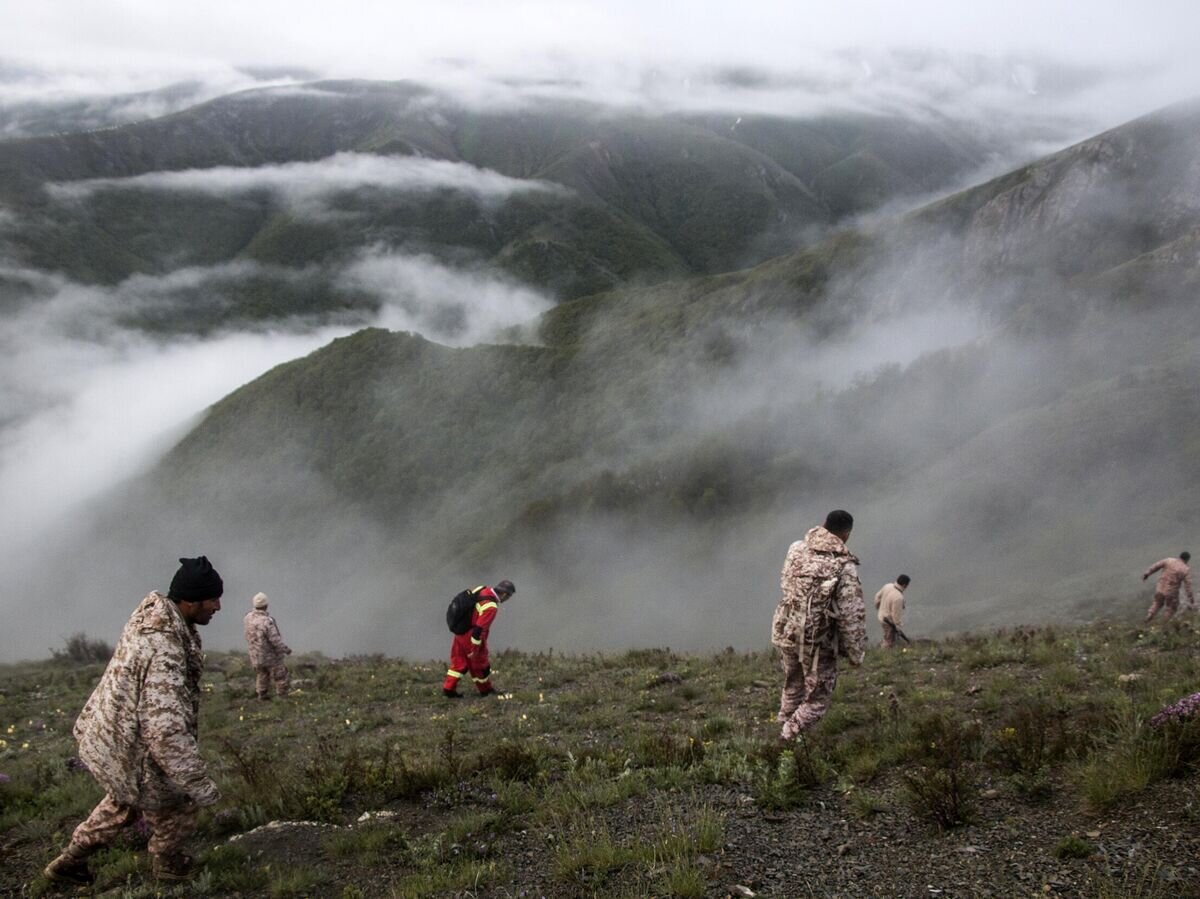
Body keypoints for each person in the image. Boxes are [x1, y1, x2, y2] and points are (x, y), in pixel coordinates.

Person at [44, 557, 224, 886]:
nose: (218, 606)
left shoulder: (153, 619)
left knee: (124, 801)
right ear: (189, 601)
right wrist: (199, 785)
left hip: (115, 737)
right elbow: (164, 731)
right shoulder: (164, 649)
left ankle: (70, 861)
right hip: (134, 745)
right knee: (177, 799)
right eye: (212, 599)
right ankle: (169, 866)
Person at [771, 511, 866, 741]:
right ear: (846, 534)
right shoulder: (844, 565)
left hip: (786, 630)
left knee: (793, 684)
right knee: (817, 698)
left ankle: (784, 723)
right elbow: (850, 614)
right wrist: (855, 653)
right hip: (817, 640)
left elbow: (785, 582)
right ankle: (787, 740)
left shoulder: (796, 549)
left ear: (823, 524)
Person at [442, 580, 515, 698]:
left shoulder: (482, 589)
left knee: (458, 661)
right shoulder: (491, 606)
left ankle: (448, 688)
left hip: (460, 630)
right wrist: (475, 648)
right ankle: (485, 690)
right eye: (509, 597)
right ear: (505, 595)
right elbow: (479, 629)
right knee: (480, 664)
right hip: (470, 635)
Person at [243, 592, 292, 700]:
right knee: (280, 675)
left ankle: (262, 695)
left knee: (262, 674)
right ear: (266, 605)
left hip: (255, 654)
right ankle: (282, 696)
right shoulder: (266, 621)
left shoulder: (248, 618)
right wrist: (285, 649)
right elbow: (274, 639)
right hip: (269, 654)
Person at [1143, 551, 1194, 622]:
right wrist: (1191, 598)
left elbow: (1156, 566)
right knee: (1171, 608)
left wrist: (1147, 573)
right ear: (1187, 559)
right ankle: (1164, 623)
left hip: (1160, 588)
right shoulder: (1185, 569)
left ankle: (1150, 615)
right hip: (1171, 592)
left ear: (1180, 556)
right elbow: (1188, 586)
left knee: (1157, 603)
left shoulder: (1169, 560)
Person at [874, 574, 911, 648]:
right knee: (889, 640)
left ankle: (883, 648)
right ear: (904, 585)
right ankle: (884, 655)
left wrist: (878, 607)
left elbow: (877, 597)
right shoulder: (898, 598)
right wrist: (898, 626)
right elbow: (896, 616)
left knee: (886, 636)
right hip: (888, 621)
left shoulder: (888, 586)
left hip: (881, 616)